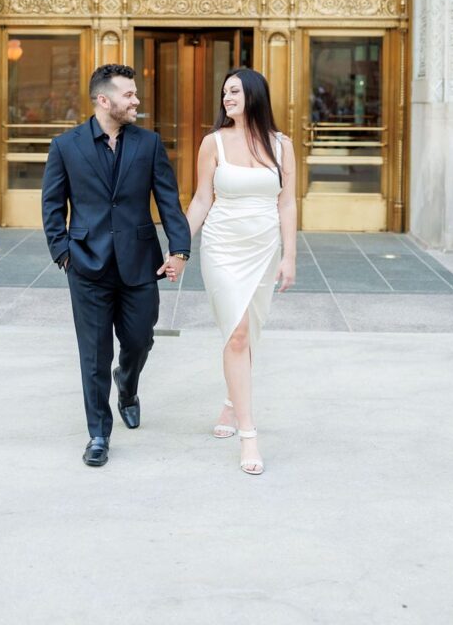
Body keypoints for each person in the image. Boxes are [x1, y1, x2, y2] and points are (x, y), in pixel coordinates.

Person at [42, 64, 190, 468]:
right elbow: (52, 206)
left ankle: (127, 385)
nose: (136, 101)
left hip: (140, 263)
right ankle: (98, 434)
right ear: (104, 100)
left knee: (140, 340)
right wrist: (63, 252)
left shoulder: (149, 144)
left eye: (135, 94)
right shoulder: (66, 146)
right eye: (129, 95)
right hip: (86, 264)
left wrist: (179, 250)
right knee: (93, 354)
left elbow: (168, 200)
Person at [176, 68, 296, 475]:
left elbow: (287, 204)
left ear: (254, 95)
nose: (227, 98)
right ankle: (249, 434)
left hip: (264, 249)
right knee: (238, 332)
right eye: (224, 92)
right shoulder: (212, 144)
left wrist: (290, 256)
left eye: (235, 91)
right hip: (223, 248)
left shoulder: (282, 146)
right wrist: (179, 248)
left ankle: (231, 404)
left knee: (250, 333)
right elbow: (201, 199)